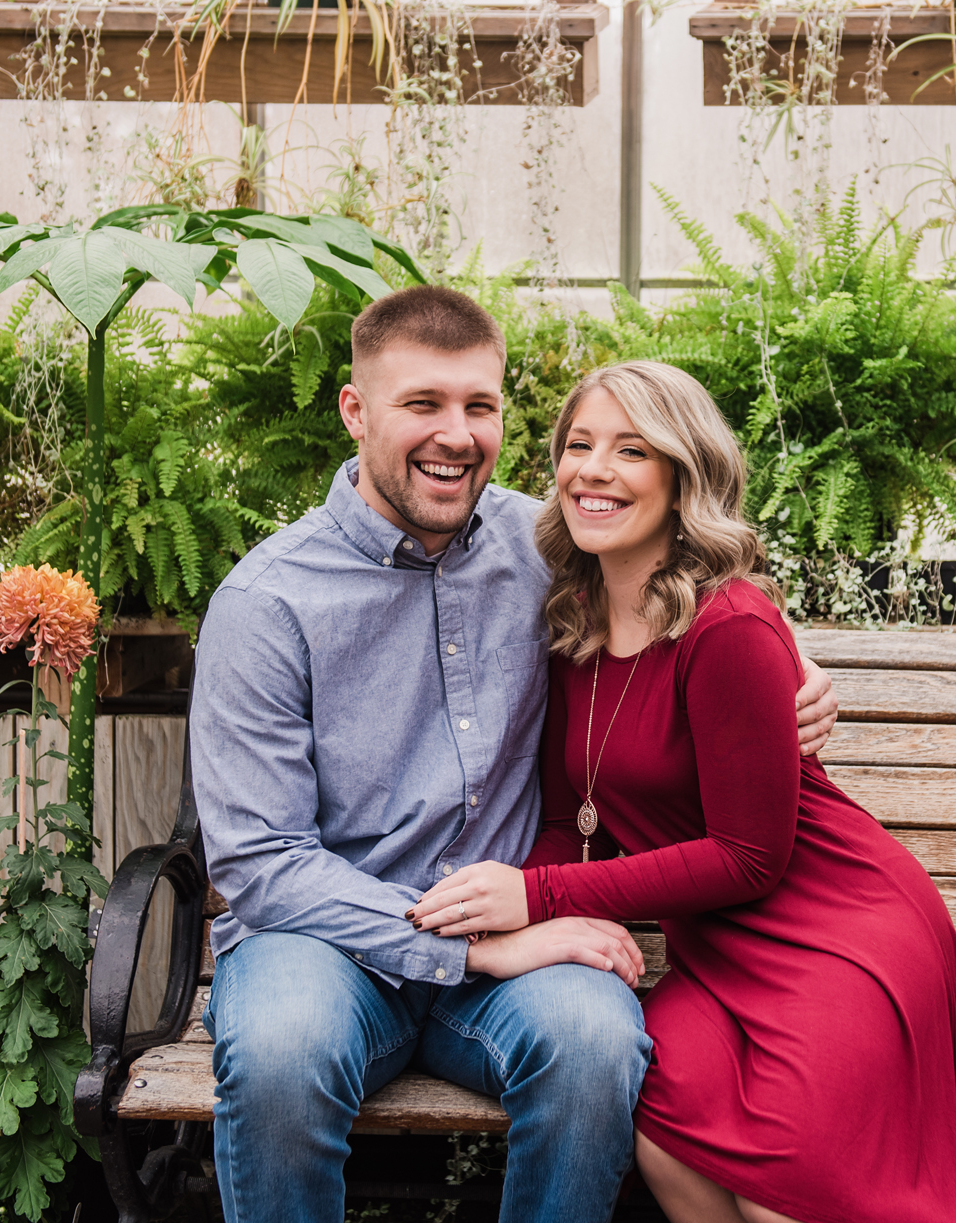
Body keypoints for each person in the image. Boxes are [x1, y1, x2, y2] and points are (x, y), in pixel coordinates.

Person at [189, 289, 839, 1223]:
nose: (455, 434)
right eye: (423, 404)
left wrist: (799, 669)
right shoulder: (269, 601)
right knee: (283, 1053)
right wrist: (478, 946)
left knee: (593, 1041)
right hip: (324, 943)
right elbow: (260, 863)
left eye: (479, 407)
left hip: (519, 931)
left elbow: (692, 588)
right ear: (354, 410)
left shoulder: (547, 544)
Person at [411, 360, 956, 1223]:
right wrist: (513, 910)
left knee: (786, 1185)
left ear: (682, 476)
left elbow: (751, 855)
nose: (594, 469)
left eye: (631, 450)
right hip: (716, 954)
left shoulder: (730, 622)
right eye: (578, 445)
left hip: (837, 927)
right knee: (665, 1130)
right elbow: (572, 818)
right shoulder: (573, 621)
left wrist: (536, 892)